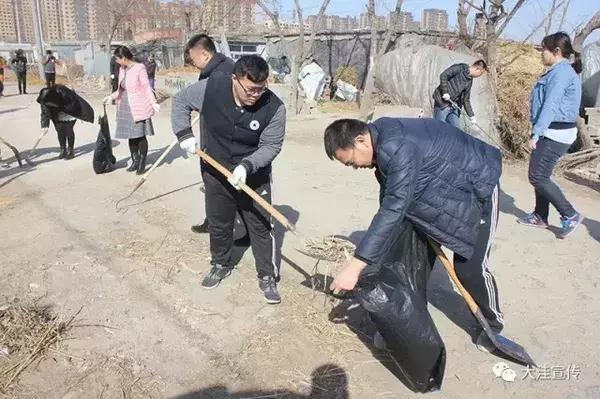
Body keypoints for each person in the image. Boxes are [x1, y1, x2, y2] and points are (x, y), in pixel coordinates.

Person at [324, 117, 505, 352]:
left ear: (361, 140)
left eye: (351, 162)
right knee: (408, 260)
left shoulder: (397, 146)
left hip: (478, 187)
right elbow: (391, 198)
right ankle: (407, 321)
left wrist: (356, 265)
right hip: (438, 190)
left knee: (470, 268)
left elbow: (394, 206)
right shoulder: (381, 142)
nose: (355, 168)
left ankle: (493, 323)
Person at [171, 55, 286, 304]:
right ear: (235, 79)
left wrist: (247, 166)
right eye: (250, 89)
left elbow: (272, 145)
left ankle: (266, 275)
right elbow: (180, 101)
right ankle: (220, 263)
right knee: (219, 222)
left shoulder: (274, 108)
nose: (255, 94)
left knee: (260, 225)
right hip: (215, 169)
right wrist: (184, 134)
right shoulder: (211, 88)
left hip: (253, 174)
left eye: (261, 88)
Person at [517, 32, 584, 238]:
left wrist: (536, 134)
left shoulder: (561, 73)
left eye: (543, 49)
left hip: (556, 131)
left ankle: (570, 214)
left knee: (537, 176)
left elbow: (551, 105)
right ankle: (540, 215)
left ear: (556, 51)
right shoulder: (557, 71)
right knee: (540, 174)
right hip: (552, 129)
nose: (541, 53)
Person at [184, 34, 236, 235]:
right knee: (213, 185)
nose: (194, 64)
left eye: (194, 59)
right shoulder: (213, 69)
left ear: (204, 54)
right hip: (211, 136)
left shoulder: (222, 73)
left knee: (219, 186)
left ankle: (222, 225)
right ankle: (213, 220)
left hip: (221, 141)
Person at [104, 46, 159, 175]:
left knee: (139, 135)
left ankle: (142, 162)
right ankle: (135, 160)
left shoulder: (139, 68)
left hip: (138, 105)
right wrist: (111, 97)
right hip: (124, 105)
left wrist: (153, 102)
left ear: (124, 58)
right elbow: (120, 89)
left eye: (117, 59)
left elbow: (146, 87)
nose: (116, 61)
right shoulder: (122, 69)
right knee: (130, 135)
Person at [37, 84, 94, 159]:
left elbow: (75, 105)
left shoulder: (65, 93)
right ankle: (63, 149)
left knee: (68, 130)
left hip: (69, 111)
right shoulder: (45, 99)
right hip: (57, 113)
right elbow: (45, 113)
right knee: (60, 130)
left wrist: (80, 116)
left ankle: (70, 150)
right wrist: (44, 126)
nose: (47, 104)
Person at [432, 59, 488, 128]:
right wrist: (445, 92)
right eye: (481, 73)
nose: (479, 76)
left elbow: (466, 99)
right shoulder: (460, 68)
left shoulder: (469, 80)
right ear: (477, 69)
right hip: (442, 104)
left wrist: (471, 115)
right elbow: (443, 75)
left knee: (456, 130)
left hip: (454, 106)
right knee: (438, 127)